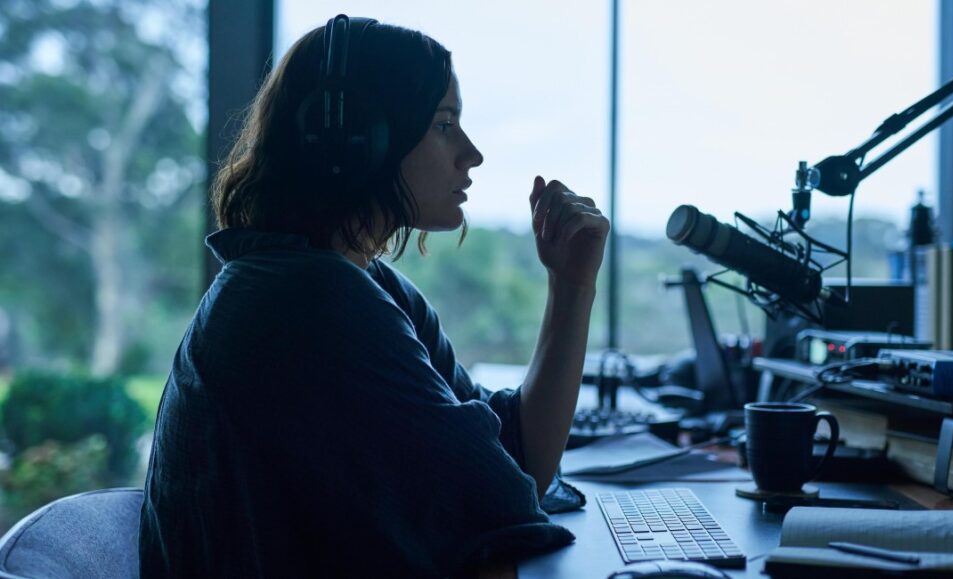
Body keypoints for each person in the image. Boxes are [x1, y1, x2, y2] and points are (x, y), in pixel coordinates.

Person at [139, 14, 609, 578]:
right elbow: (502, 499)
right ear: (353, 138)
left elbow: (514, 461)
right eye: (443, 124)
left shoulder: (355, 282)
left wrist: (572, 286)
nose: (471, 153)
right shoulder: (308, 303)